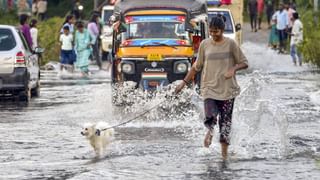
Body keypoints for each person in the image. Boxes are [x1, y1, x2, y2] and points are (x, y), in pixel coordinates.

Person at [175, 17, 249, 160]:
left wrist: (233, 69)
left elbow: (244, 63)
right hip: (209, 88)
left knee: (225, 124)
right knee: (210, 116)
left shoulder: (230, 44)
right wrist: (183, 83)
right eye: (211, 31)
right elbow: (196, 67)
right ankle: (210, 131)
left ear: (222, 30)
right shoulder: (205, 44)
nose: (214, 34)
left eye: (217, 31)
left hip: (227, 90)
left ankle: (224, 156)